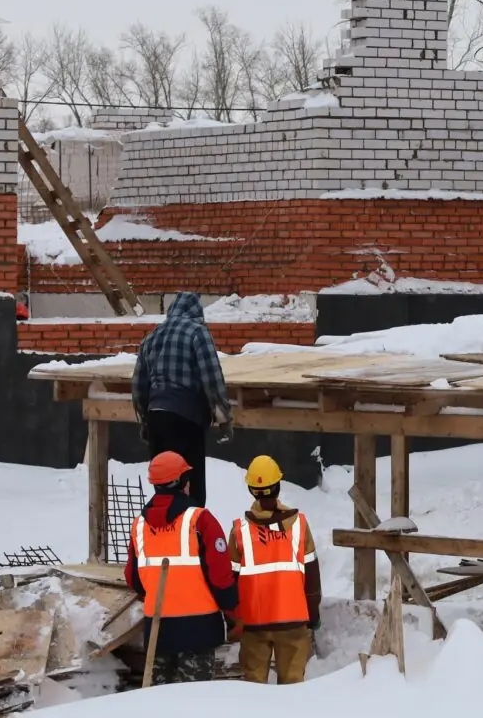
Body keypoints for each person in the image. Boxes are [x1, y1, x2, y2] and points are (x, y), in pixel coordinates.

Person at [125, 451, 239, 685]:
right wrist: (231, 606)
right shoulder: (200, 520)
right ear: (181, 482)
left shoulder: (139, 525)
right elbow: (220, 576)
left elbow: (133, 580)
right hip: (198, 631)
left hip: (159, 631)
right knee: (194, 703)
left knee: (160, 704)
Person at [132, 292, 232, 507]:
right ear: (196, 311)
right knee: (192, 490)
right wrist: (223, 417)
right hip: (187, 420)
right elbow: (212, 377)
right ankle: (192, 534)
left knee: (164, 487)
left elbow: (139, 385)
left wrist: (145, 422)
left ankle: (164, 535)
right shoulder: (198, 332)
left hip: (156, 417)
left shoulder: (152, 336)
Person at [227, 455, 322, 684]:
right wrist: (313, 615)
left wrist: (233, 621)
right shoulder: (299, 525)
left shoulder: (239, 531)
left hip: (253, 625)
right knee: (292, 690)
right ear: (278, 486)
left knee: (254, 688)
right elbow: (311, 576)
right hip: (294, 623)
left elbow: (230, 582)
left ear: (252, 490)